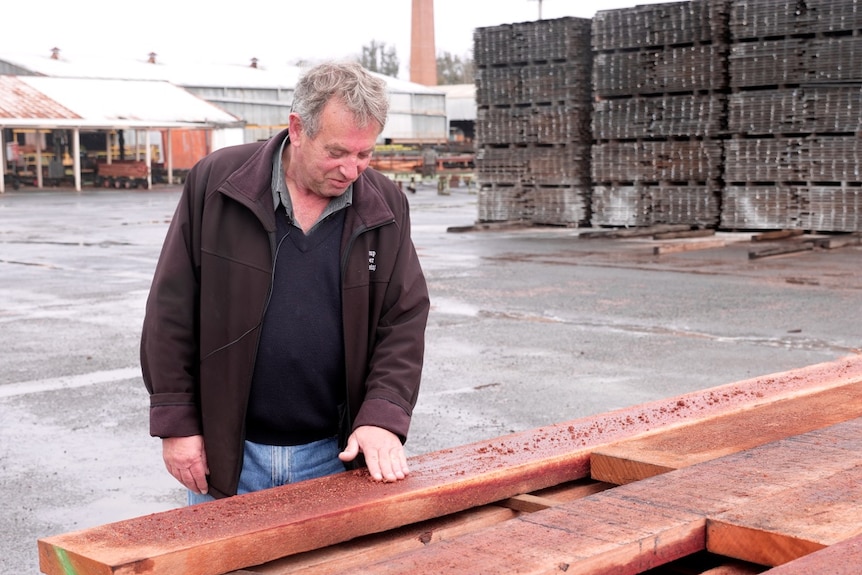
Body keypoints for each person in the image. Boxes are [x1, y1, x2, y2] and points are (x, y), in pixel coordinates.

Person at [140, 61, 430, 503]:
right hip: (229, 455)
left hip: (334, 456)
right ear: (297, 128)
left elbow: (402, 319)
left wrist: (382, 418)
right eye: (337, 152)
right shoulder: (217, 184)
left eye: (364, 154)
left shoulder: (385, 204)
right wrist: (176, 423)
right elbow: (172, 307)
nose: (352, 170)